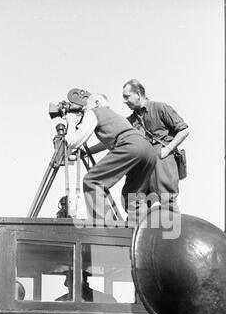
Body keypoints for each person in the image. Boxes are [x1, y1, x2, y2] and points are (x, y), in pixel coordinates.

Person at [65, 93, 157, 222]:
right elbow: (107, 142)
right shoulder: (117, 117)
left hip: (130, 146)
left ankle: (102, 230)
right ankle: (139, 232)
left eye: (86, 106)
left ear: (97, 103)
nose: (84, 109)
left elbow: (74, 142)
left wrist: (71, 123)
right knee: (133, 196)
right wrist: (86, 153)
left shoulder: (95, 112)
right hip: (148, 151)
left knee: (92, 181)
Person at [122, 79, 190, 211]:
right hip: (142, 161)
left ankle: (171, 230)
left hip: (162, 158)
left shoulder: (160, 108)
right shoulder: (130, 121)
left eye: (127, 96)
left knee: (167, 199)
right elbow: (115, 139)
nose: (124, 101)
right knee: (133, 200)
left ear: (138, 94)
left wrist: (168, 149)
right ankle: (138, 230)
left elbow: (184, 130)